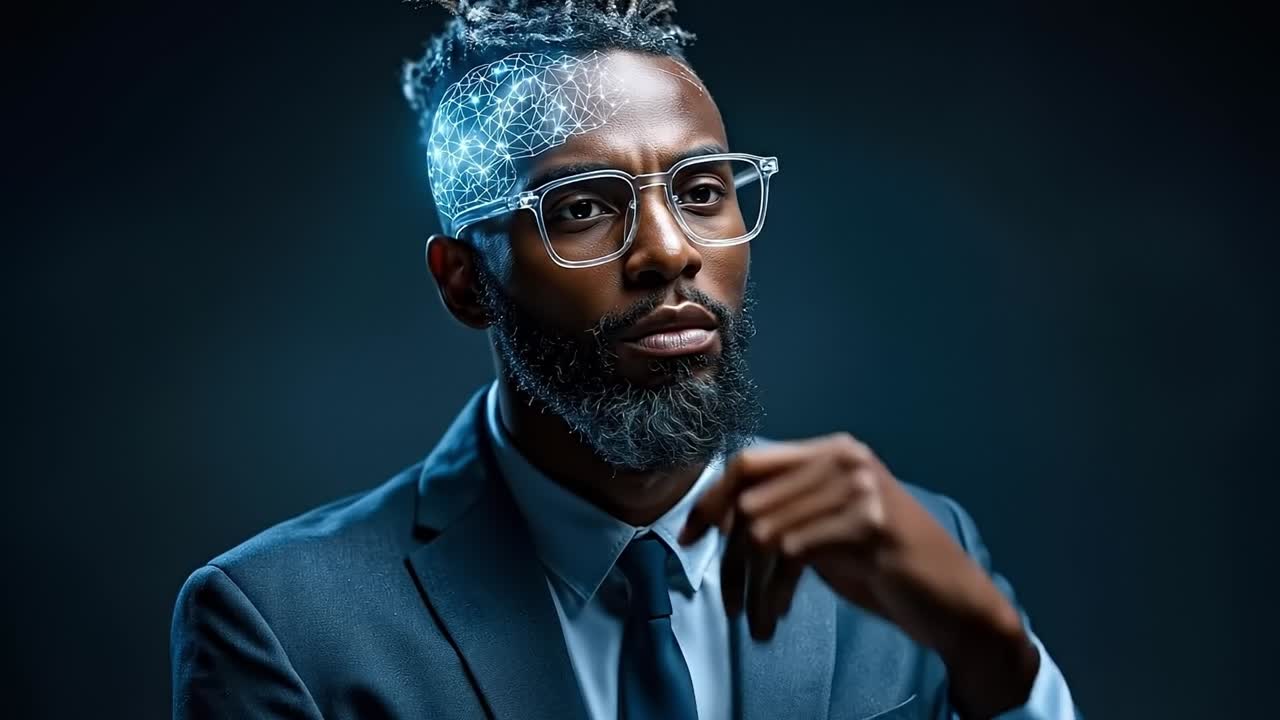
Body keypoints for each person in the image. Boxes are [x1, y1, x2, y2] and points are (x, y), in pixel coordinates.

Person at [170, 2, 1081, 718]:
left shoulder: (918, 553)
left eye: (702, 190)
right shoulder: (281, 623)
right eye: (580, 208)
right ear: (463, 283)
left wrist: (999, 660)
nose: (669, 252)